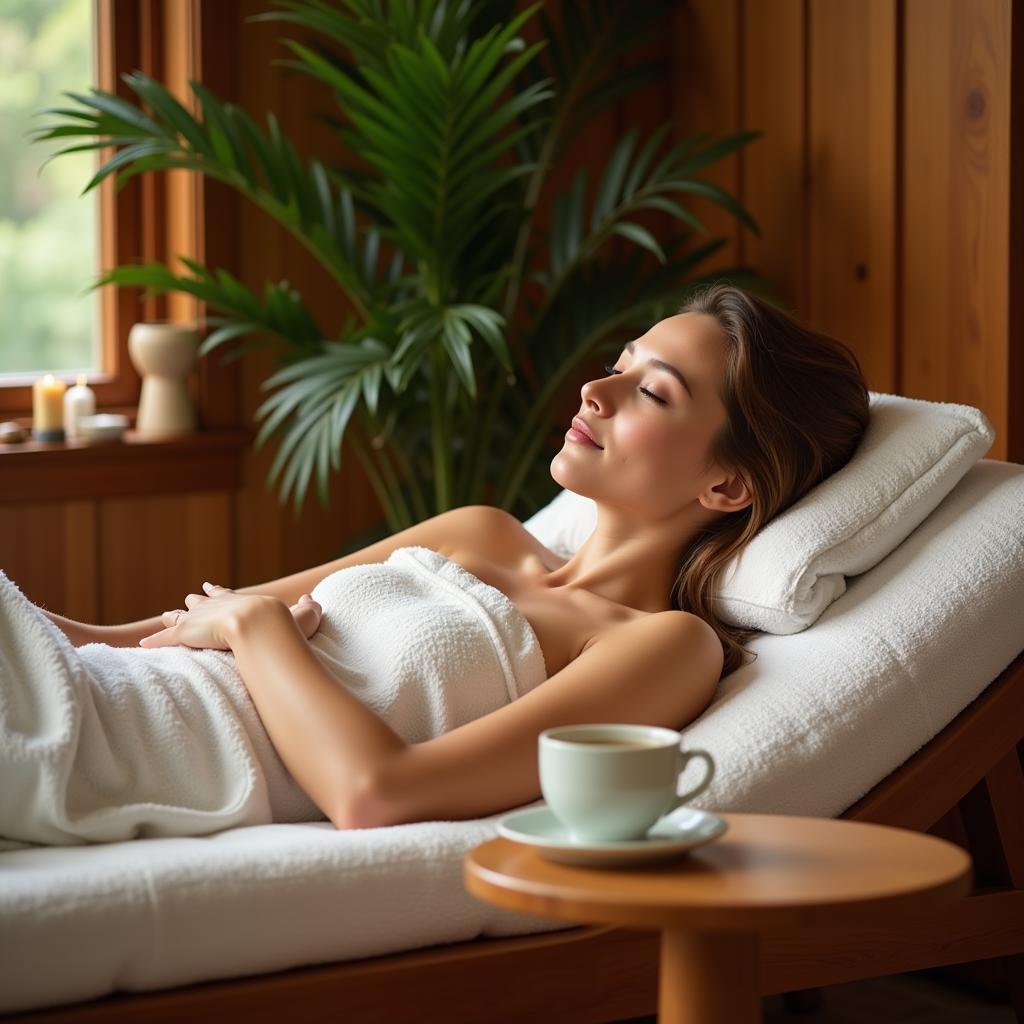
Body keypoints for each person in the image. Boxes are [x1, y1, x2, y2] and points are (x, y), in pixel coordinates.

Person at [38, 283, 870, 835]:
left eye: (651, 392)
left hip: (123, 753)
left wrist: (260, 631)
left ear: (728, 483)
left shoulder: (660, 646)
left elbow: (378, 793)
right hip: (99, 693)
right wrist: (48, 625)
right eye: (618, 365)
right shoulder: (480, 531)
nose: (594, 391)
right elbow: (140, 635)